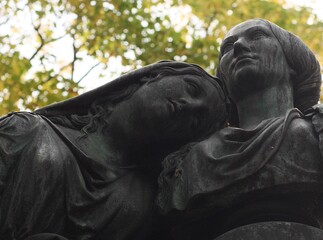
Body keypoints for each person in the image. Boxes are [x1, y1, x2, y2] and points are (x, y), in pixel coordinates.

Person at [0, 61, 227, 240]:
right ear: (150, 77)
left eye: (197, 120)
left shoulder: (148, 209)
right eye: (192, 88)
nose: (190, 106)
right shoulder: (25, 133)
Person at [157, 19, 323, 239]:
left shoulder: (317, 133)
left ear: (292, 62)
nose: (238, 46)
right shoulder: (190, 161)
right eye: (227, 47)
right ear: (223, 77)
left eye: (256, 36)